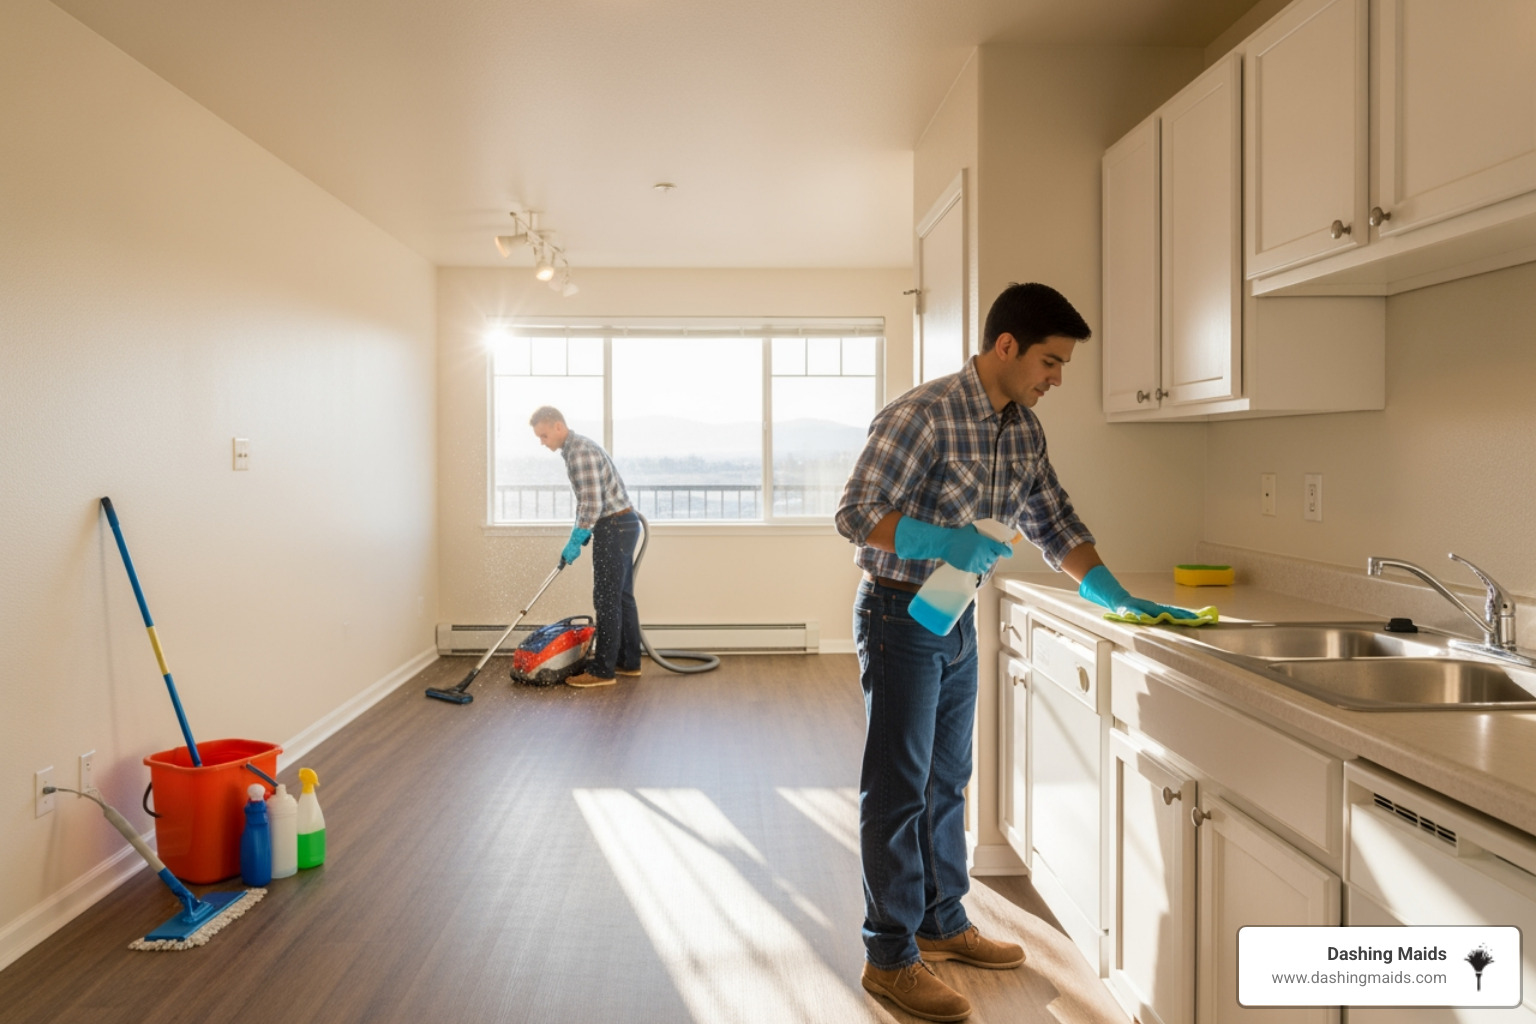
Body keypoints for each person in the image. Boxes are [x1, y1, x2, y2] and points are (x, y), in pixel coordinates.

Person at [834, 282, 1203, 1022]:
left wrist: (1113, 593)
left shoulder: (1023, 430)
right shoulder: (923, 414)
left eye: (1061, 365)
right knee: (899, 787)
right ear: (1005, 346)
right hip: (899, 615)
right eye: (1050, 361)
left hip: (956, 614)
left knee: (948, 779)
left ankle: (942, 923)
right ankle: (889, 957)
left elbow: (1053, 518)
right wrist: (942, 540)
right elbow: (855, 514)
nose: (1057, 379)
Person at [530, 406, 643, 688]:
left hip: (614, 527)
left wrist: (577, 536)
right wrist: (582, 532)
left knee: (606, 599)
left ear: (558, 426)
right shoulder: (575, 449)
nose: (542, 442)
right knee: (621, 597)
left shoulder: (579, 452)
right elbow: (591, 502)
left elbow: (591, 503)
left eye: (544, 435)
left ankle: (602, 671)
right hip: (621, 524)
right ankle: (629, 662)